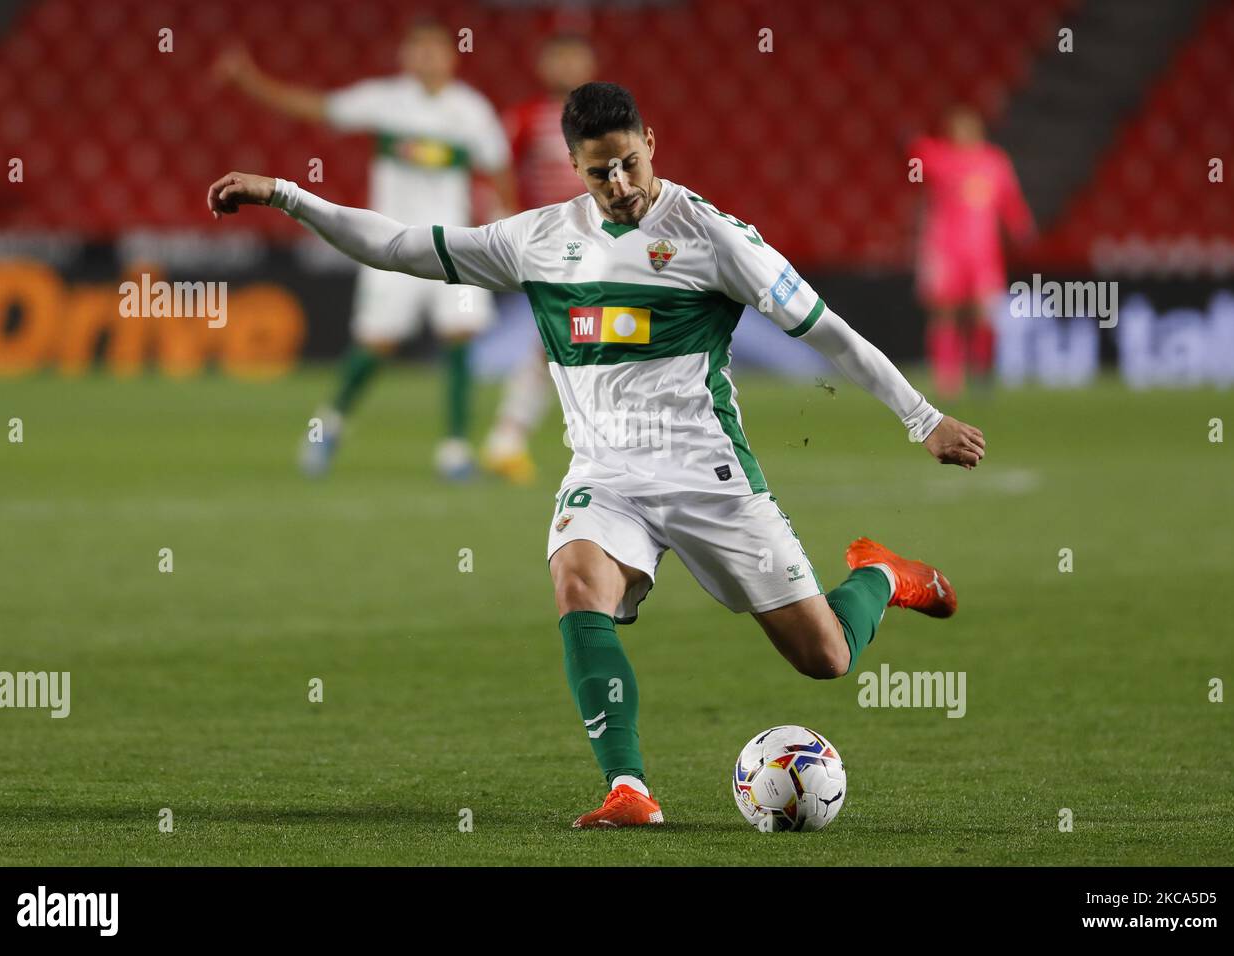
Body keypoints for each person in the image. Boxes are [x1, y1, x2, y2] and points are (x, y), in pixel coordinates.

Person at [206, 82, 986, 828]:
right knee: (577, 583)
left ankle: (882, 574)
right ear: (574, 167)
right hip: (606, 477)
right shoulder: (538, 240)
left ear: (651, 143)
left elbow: (828, 331)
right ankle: (629, 788)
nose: (618, 183)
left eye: (629, 162)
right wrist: (286, 194)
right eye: (598, 170)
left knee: (825, 658)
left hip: (708, 478)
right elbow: (401, 245)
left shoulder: (714, 238)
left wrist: (923, 419)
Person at [214, 18, 515, 479]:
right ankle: (328, 425)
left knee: (460, 336)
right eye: (419, 50)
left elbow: (499, 170)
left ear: (452, 57)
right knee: (376, 344)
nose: (428, 58)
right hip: (390, 244)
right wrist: (249, 79)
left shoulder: (471, 111)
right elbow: (316, 108)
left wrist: (506, 226)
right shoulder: (387, 101)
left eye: (436, 50)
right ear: (406, 58)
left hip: (452, 244)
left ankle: (454, 451)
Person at [480, 33, 597, 485]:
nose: (568, 67)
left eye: (577, 57)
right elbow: (497, 170)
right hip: (555, 244)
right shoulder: (526, 118)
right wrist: (504, 222)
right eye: (560, 58)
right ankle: (508, 439)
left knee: (567, 340)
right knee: (567, 337)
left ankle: (507, 439)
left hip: (603, 244)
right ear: (545, 65)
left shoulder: (605, 119)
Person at [911, 106, 1034, 397]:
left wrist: (1021, 226)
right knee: (945, 312)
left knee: (984, 314)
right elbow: (915, 160)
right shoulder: (939, 158)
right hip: (945, 250)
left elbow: (1010, 200)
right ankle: (947, 378)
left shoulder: (994, 162)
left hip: (983, 253)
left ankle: (981, 373)